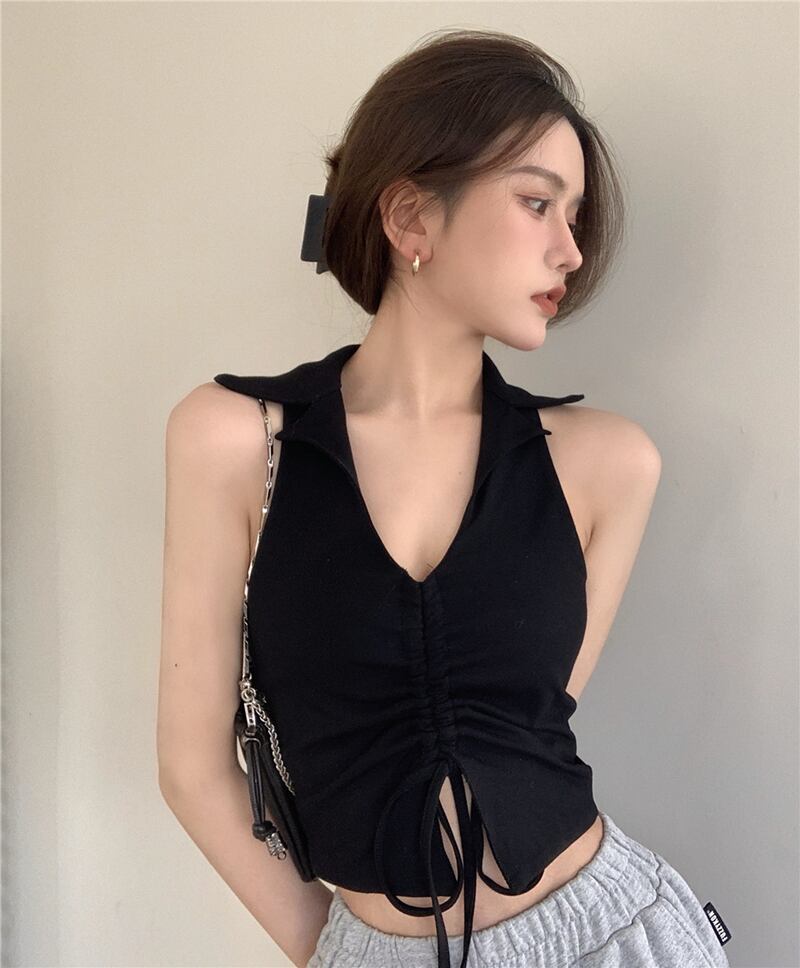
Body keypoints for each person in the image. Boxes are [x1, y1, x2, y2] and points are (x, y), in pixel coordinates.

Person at [157, 27, 731, 968]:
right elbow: (192, 767)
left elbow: (528, 727)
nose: (570, 251)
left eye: (576, 216)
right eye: (537, 203)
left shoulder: (608, 464)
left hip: (612, 934)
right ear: (411, 218)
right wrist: (346, 954)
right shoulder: (233, 440)